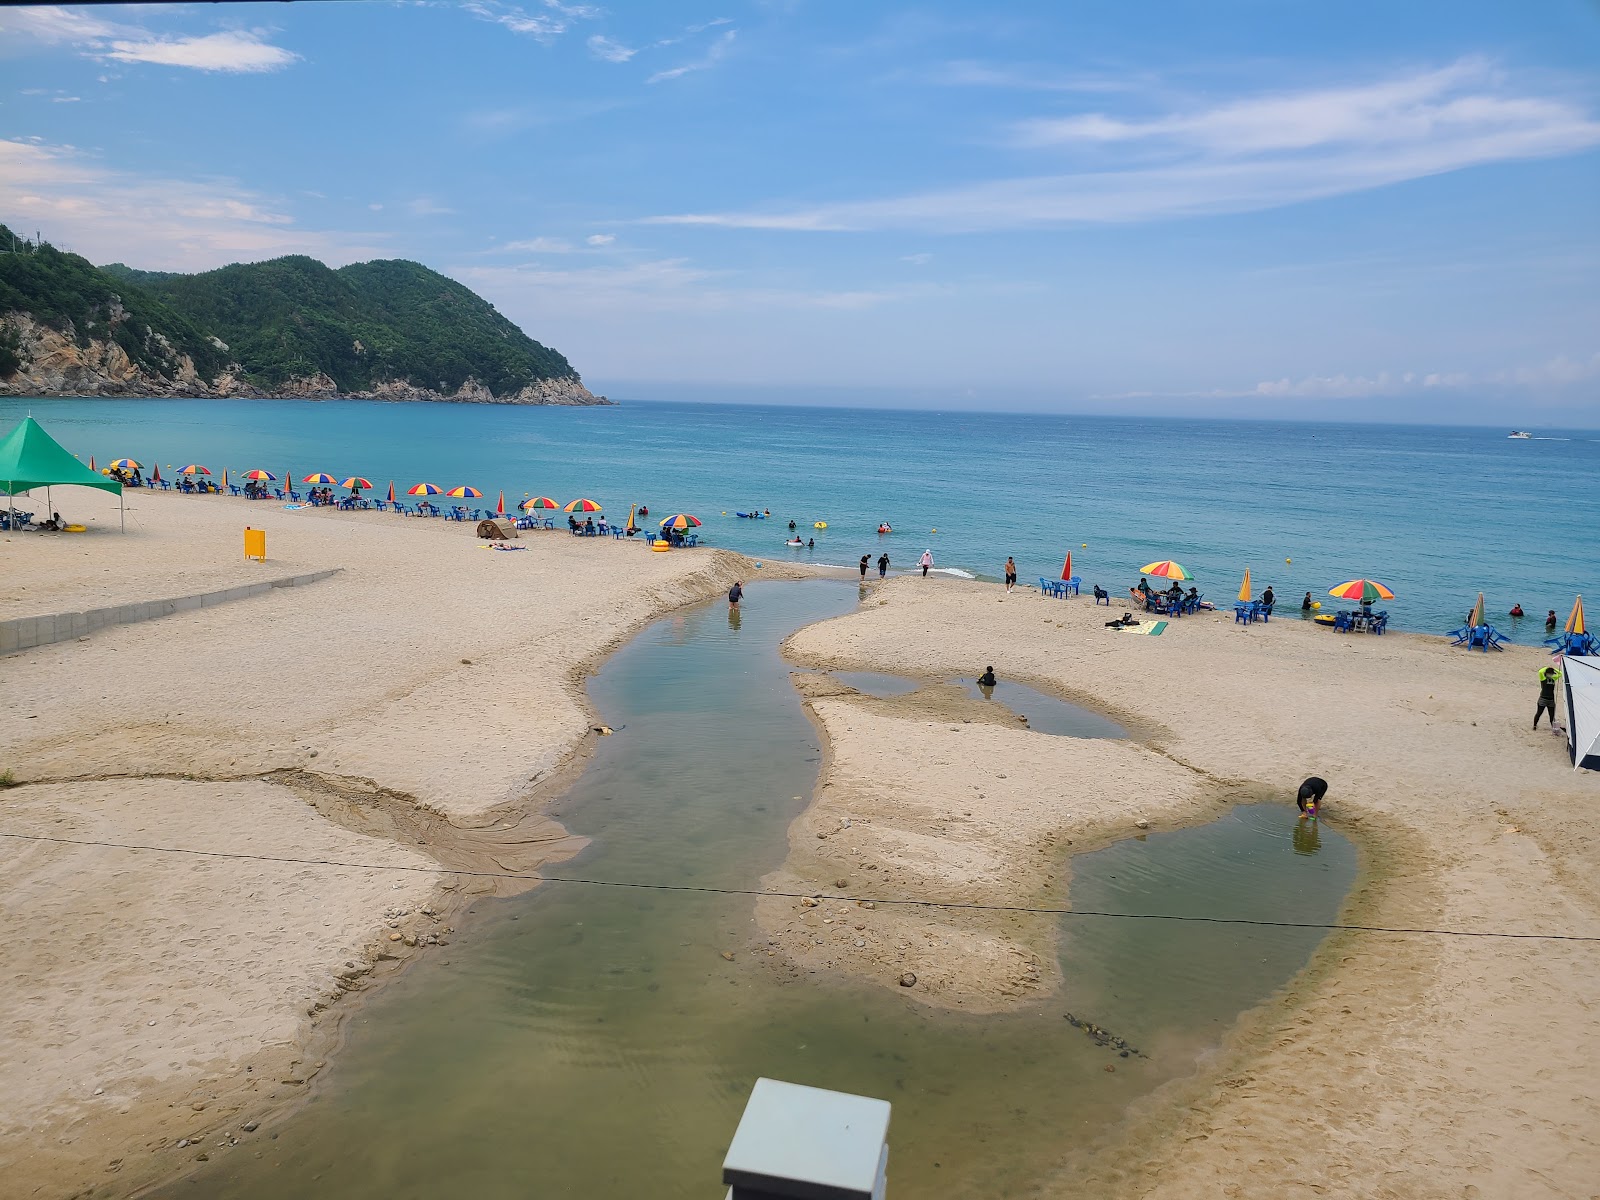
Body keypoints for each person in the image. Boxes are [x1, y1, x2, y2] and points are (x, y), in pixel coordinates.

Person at [1536, 666, 1562, 730]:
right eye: (1549, 673)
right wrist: (1546, 667)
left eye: (1552, 674)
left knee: (1552, 715)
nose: (1551, 675)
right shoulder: (1543, 679)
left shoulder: (1553, 678)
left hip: (1551, 700)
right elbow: (1540, 671)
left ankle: (1553, 727)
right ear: (1546, 673)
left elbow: (1560, 673)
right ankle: (1535, 725)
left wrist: (1554, 669)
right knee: (1539, 713)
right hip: (1543, 699)